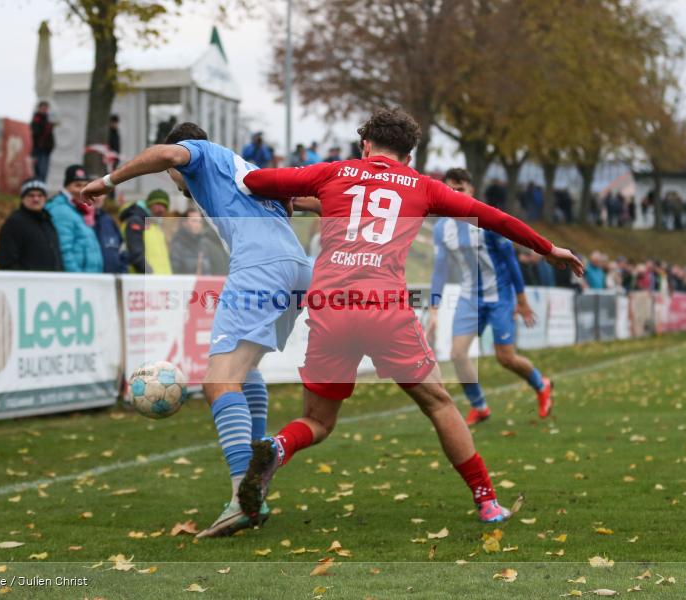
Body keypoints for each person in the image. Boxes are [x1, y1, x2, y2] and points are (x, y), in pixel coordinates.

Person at [235, 108, 582, 527]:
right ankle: (486, 500)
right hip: (384, 309)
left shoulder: (334, 173)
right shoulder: (422, 186)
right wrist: (547, 249)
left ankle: (278, 447)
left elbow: (253, 182)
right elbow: (493, 218)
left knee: (317, 420)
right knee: (438, 403)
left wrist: (301, 195)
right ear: (409, 157)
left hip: (331, 308)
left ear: (365, 146)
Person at [80, 122, 313, 538]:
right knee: (245, 372)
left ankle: (242, 495)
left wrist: (108, 181)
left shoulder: (200, 155)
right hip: (296, 270)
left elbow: (168, 155)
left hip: (260, 267)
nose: (175, 181)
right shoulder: (243, 167)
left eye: (175, 175)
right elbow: (298, 200)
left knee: (218, 383)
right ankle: (255, 483)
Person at [427, 168, 554, 426]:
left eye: (460, 189)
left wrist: (522, 300)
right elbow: (440, 268)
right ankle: (480, 406)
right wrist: (434, 307)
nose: (454, 194)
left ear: (471, 191)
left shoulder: (485, 221)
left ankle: (542, 384)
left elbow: (511, 260)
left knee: (505, 357)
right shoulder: (442, 229)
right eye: (450, 189)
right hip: (468, 298)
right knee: (457, 354)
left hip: (500, 297)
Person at [45, 165, 103, 272]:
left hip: (89, 278)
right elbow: (64, 250)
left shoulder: (79, 210)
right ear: (66, 187)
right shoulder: (61, 211)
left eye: (85, 185)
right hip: (76, 281)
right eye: (77, 185)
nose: (82, 190)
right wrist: (76, 277)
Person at [0, 179, 63, 271]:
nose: (36, 199)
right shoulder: (14, 223)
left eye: (40, 195)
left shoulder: (48, 220)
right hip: (26, 283)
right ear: (23, 198)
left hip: (50, 281)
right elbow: (7, 261)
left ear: (45, 198)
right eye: (31, 195)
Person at [118, 190, 173, 275]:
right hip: (147, 283)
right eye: (158, 204)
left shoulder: (156, 227)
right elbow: (136, 255)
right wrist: (150, 274)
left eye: (164, 206)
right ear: (149, 204)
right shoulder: (136, 221)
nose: (161, 209)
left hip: (162, 283)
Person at [170, 208, 215, 274]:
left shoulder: (204, 244)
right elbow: (175, 272)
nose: (197, 225)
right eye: (194, 221)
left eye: (200, 221)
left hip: (205, 283)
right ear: (184, 223)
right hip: (187, 283)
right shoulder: (177, 245)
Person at [92, 193, 127, 273]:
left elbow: (122, 249)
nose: (97, 198)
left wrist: (123, 273)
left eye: (100, 194)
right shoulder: (81, 220)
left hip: (112, 281)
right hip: (89, 280)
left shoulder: (109, 220)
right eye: (93, 193)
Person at [30, 101, 55, 181]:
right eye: (43, 108)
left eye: (46, 108)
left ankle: (41, 187)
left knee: (44, 171)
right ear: (39, 108)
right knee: (40, 171)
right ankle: (39, 187)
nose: (45, 110)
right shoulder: (37, 119)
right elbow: (36, 134)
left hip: (46, 149)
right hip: (39, 149)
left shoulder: (47, 119)